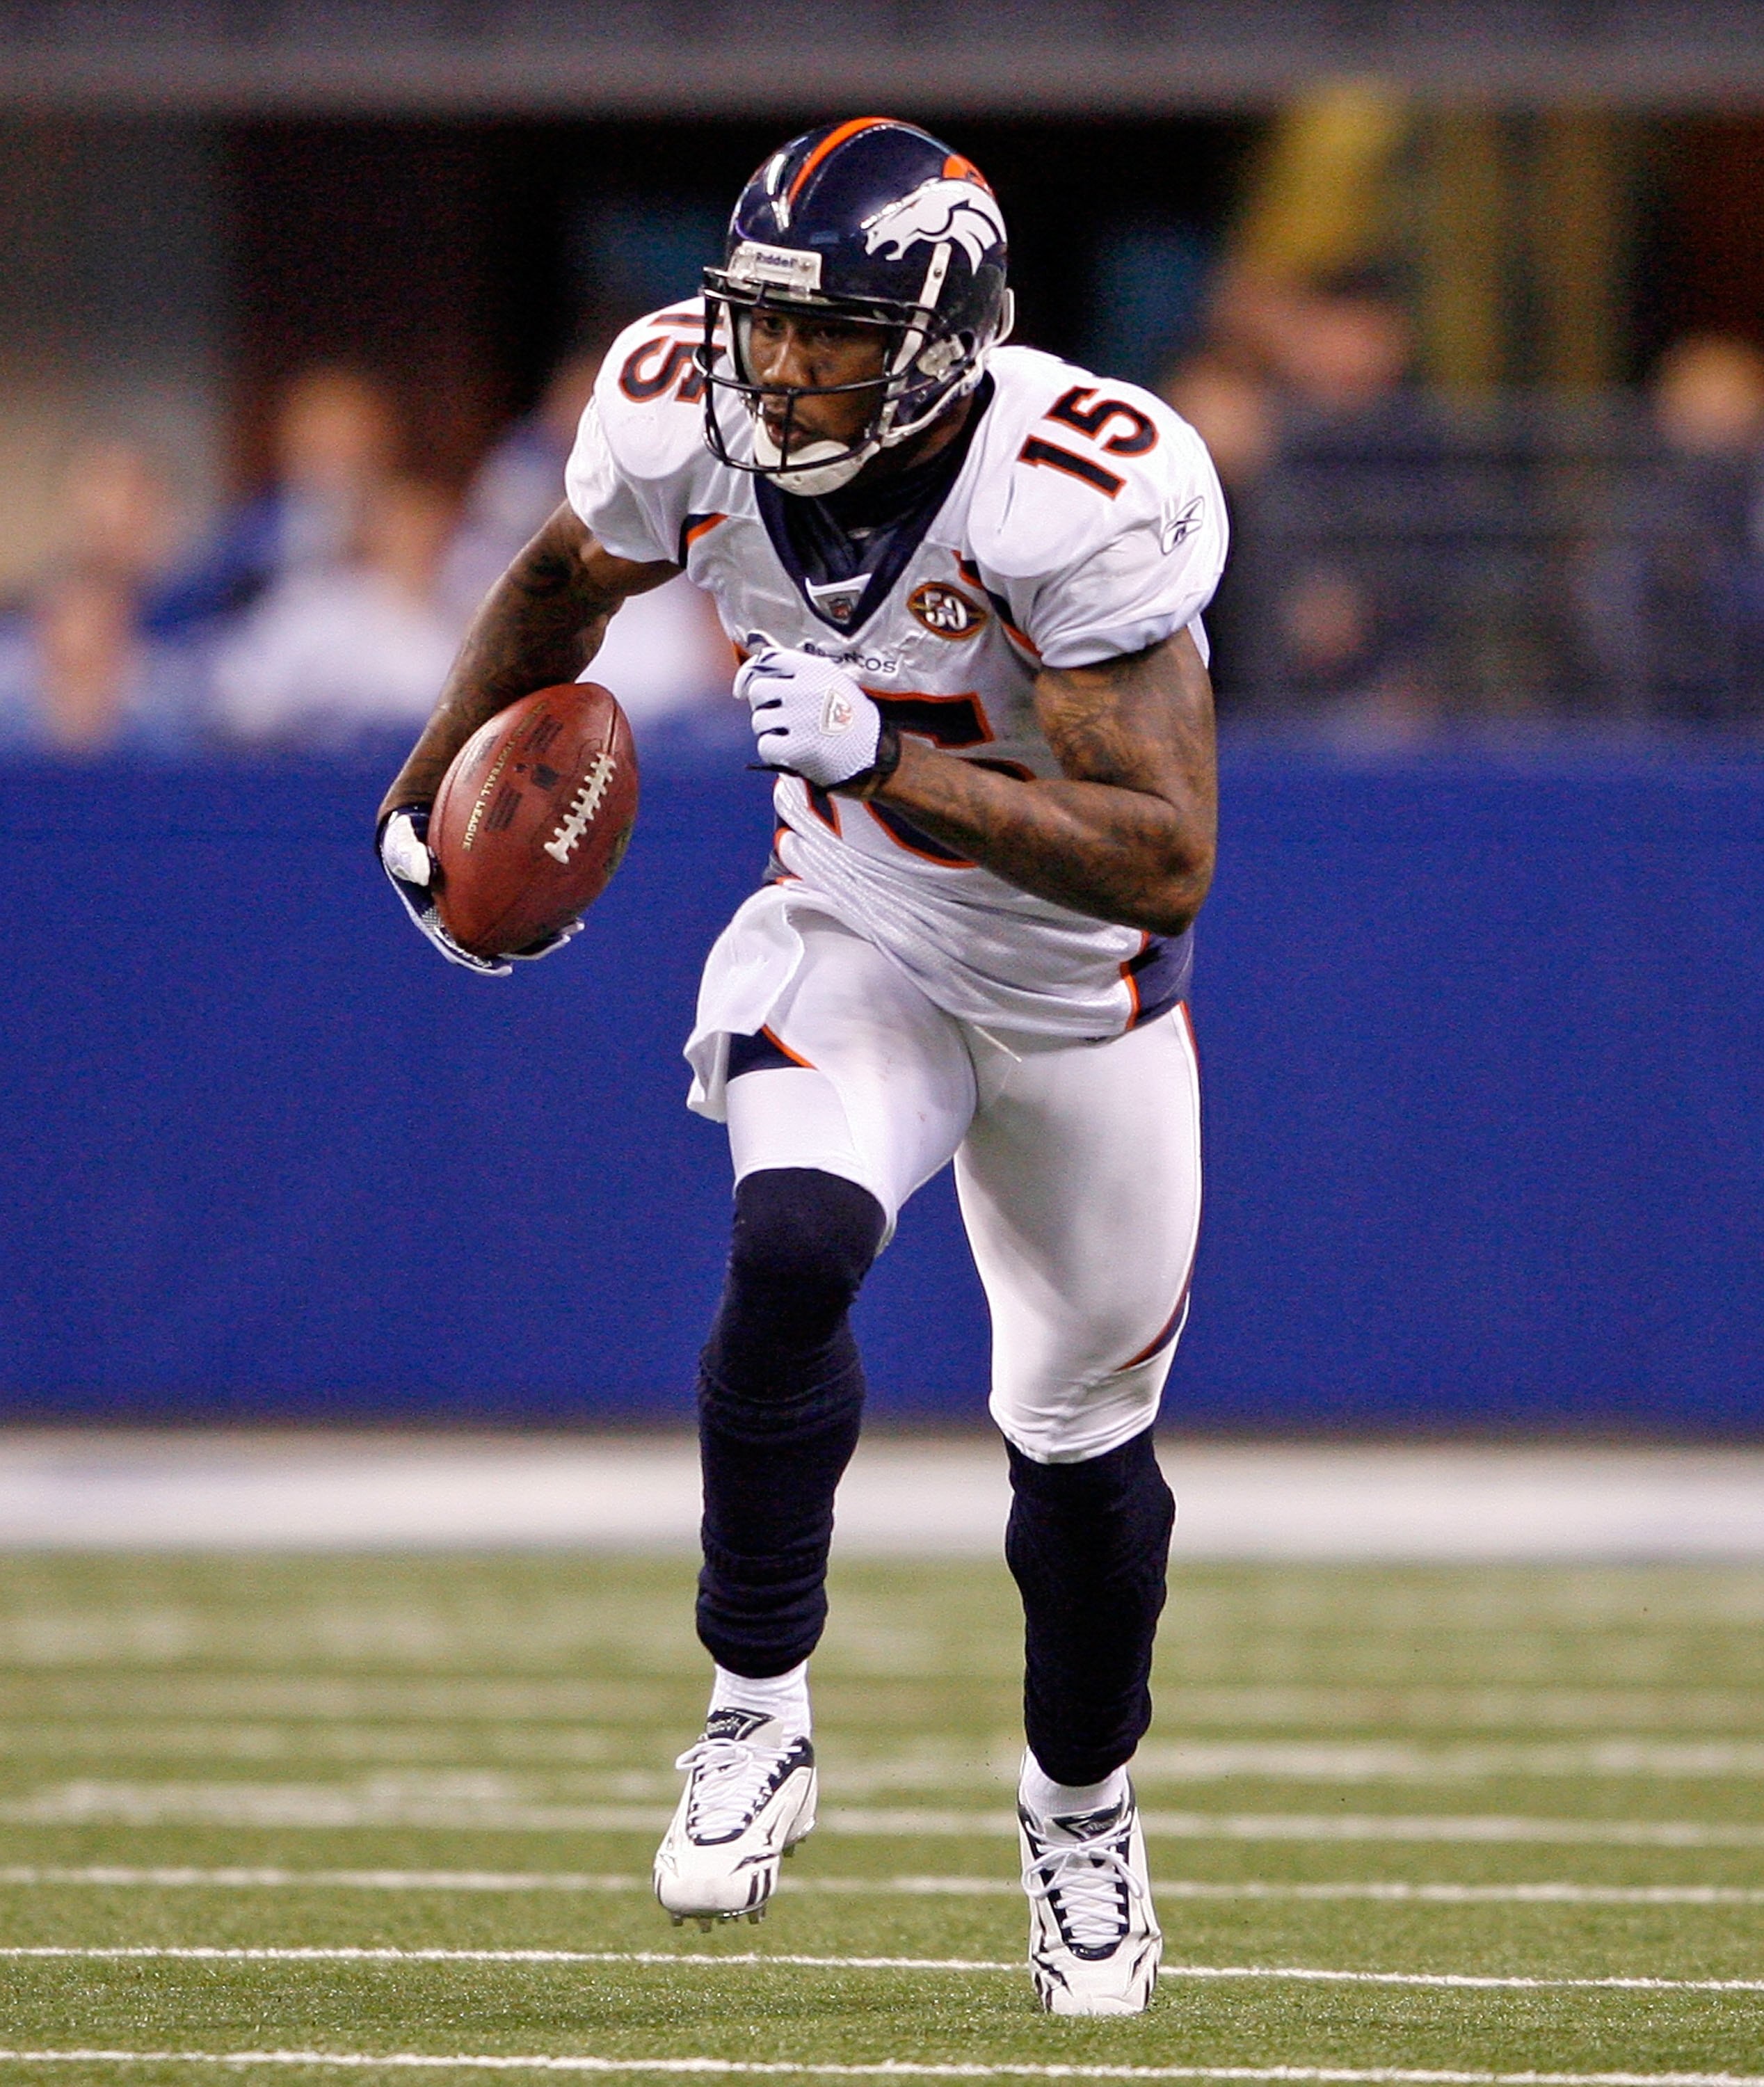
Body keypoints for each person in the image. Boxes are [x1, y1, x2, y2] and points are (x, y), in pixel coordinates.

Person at [376, 118, 1226, 2017]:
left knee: (1081, 1455)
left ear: (941, 336)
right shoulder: (689, 415)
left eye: (828, 337)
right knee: (789, 1250)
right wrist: (433, 787)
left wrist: (882, 755)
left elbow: (1166, 849)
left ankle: (1081, 1815)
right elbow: (554, 593)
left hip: (1079, 993)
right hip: (854, 932)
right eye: (762, 328)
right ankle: (756, 1708)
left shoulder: (1076, 483)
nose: (776, 372)